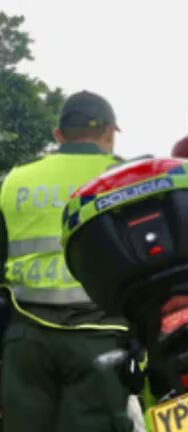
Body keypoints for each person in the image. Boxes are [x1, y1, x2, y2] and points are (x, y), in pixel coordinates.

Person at [0, 91, 133, 431]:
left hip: (26, 339)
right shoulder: (128, 179)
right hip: (100, 337)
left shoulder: (15, 180)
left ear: (59, 135)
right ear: (109, 132)